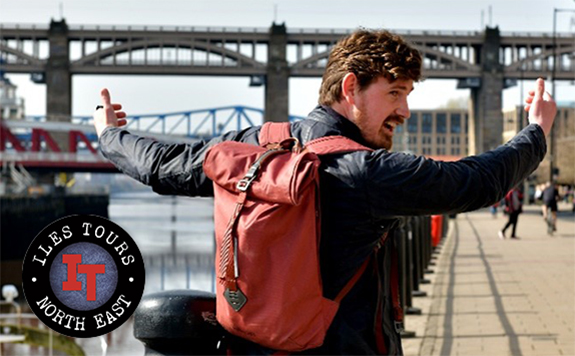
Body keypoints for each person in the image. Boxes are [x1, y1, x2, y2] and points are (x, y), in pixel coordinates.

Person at [93, 29, 556, 355]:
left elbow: (163, 165)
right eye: (395, 93)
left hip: (257, 348)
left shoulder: (258, 146)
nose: (406, 111)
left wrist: (110, 136)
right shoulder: (365, 173)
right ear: (350, 88)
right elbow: (475, 182)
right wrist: (536, 132)